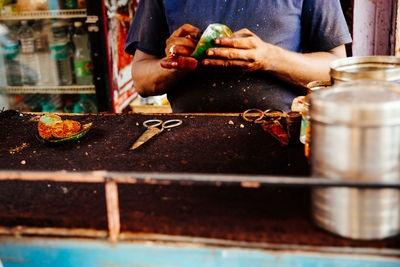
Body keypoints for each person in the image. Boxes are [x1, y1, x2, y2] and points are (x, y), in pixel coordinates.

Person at [124, 0, 352, 113]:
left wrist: (270, 58)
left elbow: (336, 72)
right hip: (187, 135)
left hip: (280, 131)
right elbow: (142, 80)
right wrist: (177, 63)